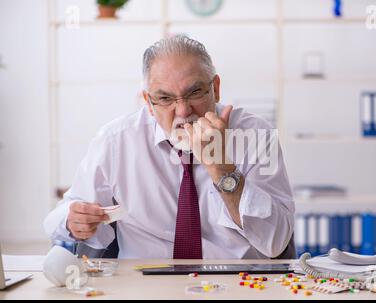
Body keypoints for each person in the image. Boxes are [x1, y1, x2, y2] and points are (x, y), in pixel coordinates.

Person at [43, 35, 295, 259]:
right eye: (165, 98)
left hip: (238, 281)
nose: (183, 111)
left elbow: (276, 242)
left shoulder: (257, 135)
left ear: (215, 89)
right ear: (148, 103)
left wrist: (220, 167)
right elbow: (56, 218)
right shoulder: (116, 140)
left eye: (195, 92)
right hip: (143, 283)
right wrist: (72, 219)